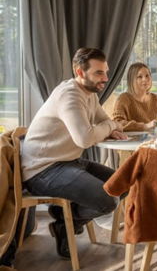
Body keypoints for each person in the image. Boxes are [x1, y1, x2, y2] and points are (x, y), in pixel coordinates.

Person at [21, 47, 127, 259]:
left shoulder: (89, 94)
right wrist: (109, 127)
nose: (105, 78)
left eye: (105, 72)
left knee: (124, 182)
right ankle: (64, 220)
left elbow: (103, 121)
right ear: (79, 72)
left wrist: (108, 126)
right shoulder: (69, 95)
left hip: (68, 161)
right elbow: (85, 138)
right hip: (43, 169)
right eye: (99, 73)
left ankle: (65, 220)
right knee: (107, 200)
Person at [112, 62, 157, 131]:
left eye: (147, 75)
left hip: (154, 140)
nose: (145, 79)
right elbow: (117, 123)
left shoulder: (156, 99)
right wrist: (145, 126)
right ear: (132, 80)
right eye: (140, 77)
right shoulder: (123, 99)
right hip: (131, 140)